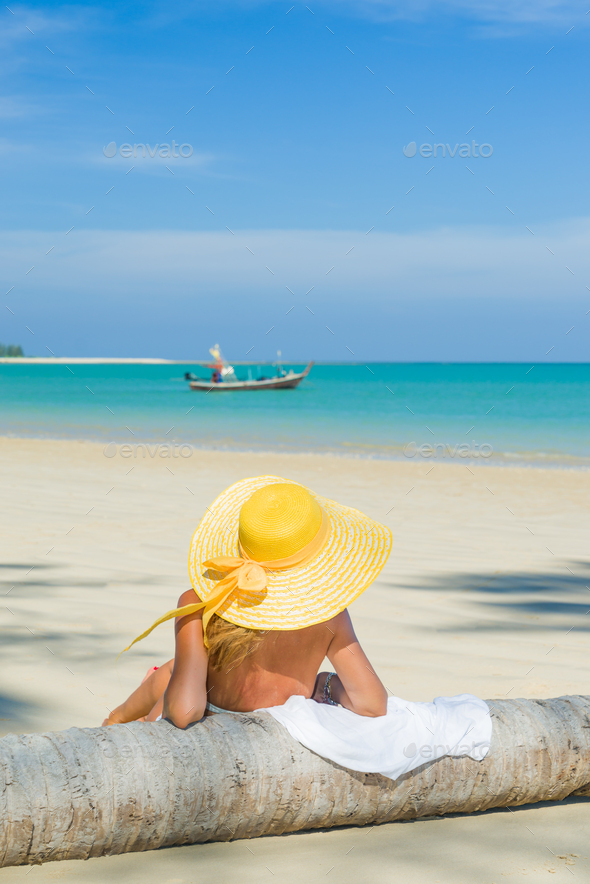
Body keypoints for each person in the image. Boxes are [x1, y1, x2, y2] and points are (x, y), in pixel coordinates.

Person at [104, 477, 491, 782]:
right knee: (173, 670)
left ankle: (115, 721)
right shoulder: (329, 616)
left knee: (173, 671)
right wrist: (323, 684)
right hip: (272, 726)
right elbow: (372, 704)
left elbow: (186, 712)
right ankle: (122, 718)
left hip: (216, 713)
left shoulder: (198, 602)